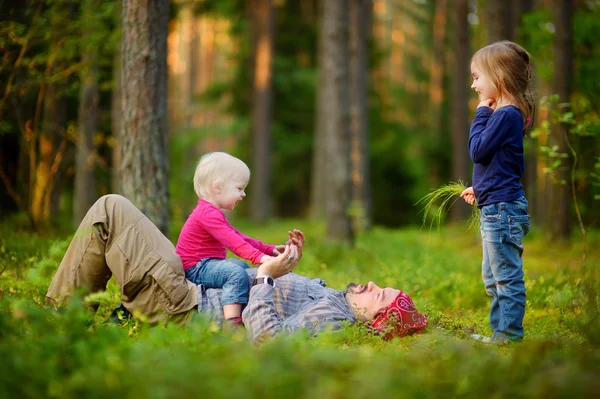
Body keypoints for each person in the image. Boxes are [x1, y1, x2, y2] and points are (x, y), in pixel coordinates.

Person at [46, 194, 427, 343]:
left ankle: (56, 327)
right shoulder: (333, 297)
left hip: (184, 304)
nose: (374, 284)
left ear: (376, 321)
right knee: (112, 214)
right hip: (193, 284)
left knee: (110, 210)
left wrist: (264, 277)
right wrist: (283, 260)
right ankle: (71, 322)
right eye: (382, 285)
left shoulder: (335, 318)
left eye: (380, 295)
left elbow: (268, 342)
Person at [459, 41, 534, 344]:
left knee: (505, 278)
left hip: (502, 211)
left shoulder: (505, 115)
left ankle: (509, 336)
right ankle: (499, 333)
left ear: (499, 76)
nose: (474, 84)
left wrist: (480, 113)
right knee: (493, 278)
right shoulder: (507, 116)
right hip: (498, 205)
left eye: (477, 77)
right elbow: (504, 165)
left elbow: (477, 151)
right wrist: (481, 187)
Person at [175, 152, 288, 327]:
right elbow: (234, 243)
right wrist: (259, 257)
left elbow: (237, 236)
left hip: (206, 264)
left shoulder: (211, 212)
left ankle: (243, 303)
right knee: (236, 274)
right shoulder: (207, 213)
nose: (243, 194)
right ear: (218, 187)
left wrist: (267, 249)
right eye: (239, 188)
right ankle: (232, 322)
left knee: (241, 267)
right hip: (195, 268)